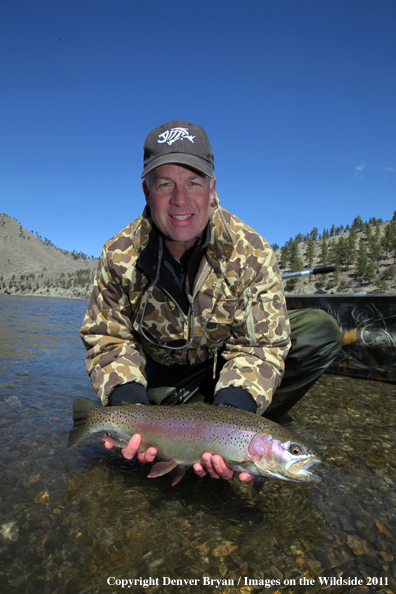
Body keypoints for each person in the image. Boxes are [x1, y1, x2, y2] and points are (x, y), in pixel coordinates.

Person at [80, 120, 343, 484]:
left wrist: (234, 415)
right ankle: (166, 428)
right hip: (163, 376)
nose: (180, 199)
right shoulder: (118, 255)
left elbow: (261, 346)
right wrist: (127, 404)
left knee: (319, 331)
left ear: (212, 187)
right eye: (165, 184)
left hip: (224, 369)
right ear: (146, 191)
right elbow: (108, 338)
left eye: (193, 182)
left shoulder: (252, 251)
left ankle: (241, 425)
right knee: (144, 428)